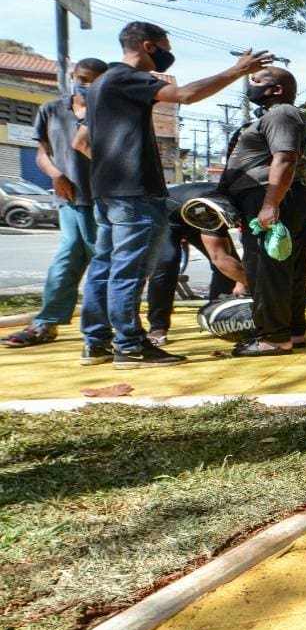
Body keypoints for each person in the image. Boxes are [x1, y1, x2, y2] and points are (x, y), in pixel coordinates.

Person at [77, 21, 272, 369]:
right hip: (135, 192)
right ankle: (130, 345)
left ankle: (96, 343)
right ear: (149, 46)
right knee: (129, 270)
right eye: (166, 45)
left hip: (107, 192)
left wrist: (113, 166)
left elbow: (83, 142)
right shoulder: (126, 77)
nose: (170, 54)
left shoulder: (100, 84)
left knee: (104, 267)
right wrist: (236, 71)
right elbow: (186, 95)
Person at [3, 58, 107, 348]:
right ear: (72, 76)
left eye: (95, 81)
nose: (86, 85)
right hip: (70, 199)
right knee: (68, 256)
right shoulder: (50, 110)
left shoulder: (107, 111)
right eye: (83, 78)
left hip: (107, 200)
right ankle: (46, 323)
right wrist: (55, 175)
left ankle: (107, 328)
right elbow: (42, 154)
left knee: (101, 260)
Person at [218, 66, 306, 356]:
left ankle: (273, 338)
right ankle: (293, 330)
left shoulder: (281, 113)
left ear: (276, 90)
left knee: (266, 268)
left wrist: (270, 203)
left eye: (258, 80)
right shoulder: (278, 115)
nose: (251, 84)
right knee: (288, 268)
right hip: (282, 198)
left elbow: (284, 158)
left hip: (271, 198)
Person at [145, 181, 248, 345]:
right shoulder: (210, 209)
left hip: (199, 213)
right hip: (166, 213)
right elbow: (220, 258)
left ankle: (217, 311)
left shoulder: (248, 207)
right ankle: (158, 327)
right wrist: (259, 286)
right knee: (166, 263)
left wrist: (244, 282)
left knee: (231, 264)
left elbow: (249, 254)